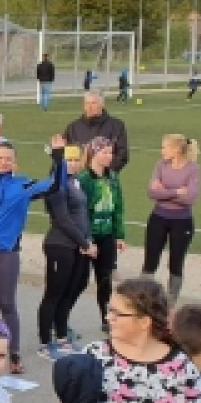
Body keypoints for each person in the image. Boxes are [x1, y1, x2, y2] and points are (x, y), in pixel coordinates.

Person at [0, 137, 64, 373]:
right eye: (0, 158)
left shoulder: (23, 185)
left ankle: (14, 354)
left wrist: (58, 157)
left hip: (7, 251)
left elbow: (56, 185)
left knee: (7, 303)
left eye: (8, 159)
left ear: (15, 163)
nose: (4, 162)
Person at [35, 145, 92, 361]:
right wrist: (84, 243)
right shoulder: (56, 185)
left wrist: (86, 240)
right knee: (54, 294)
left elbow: (82, 215)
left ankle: (61, 337)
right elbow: (62, 219)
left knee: (69, 293)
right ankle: (44, 342)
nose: (74, 164)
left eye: (77, 160)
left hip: (76, 246)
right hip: (60, 245)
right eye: (69, 160)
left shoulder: (75, 182)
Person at [143, 134, 201, 302]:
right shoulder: (161, 165)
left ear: (176, 150)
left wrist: (164, 191)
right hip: (158, 218)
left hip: (182, 222)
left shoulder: (193, 169)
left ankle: (170, 303)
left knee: (176, 263)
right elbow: (151, 192)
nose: (162, 151)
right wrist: (176, 191)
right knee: (150, 260)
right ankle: (144, 298)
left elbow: (190, 198)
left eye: (164, 147)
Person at [77, 136, 126, 328]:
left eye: (110, 152)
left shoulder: (113, 177)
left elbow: (118, 207)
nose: (109, 156)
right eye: (104, 152)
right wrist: (85, 240)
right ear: (94, 153)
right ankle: (60, 319)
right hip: (87, 237)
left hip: (107, 236)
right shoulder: (84, 179)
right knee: (79, 280)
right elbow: (79, 211)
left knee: (105, 280)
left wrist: (119, 235)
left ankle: (107, 318)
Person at [61, 91, 130, 174]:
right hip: (79, 178)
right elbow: (64, 155)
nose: (89, 107)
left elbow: (122, 154)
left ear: (102, 104)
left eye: (94, 103)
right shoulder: (73, 127)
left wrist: (104, 172)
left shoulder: (116, 126)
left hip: (105, 178)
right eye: (87, 103)